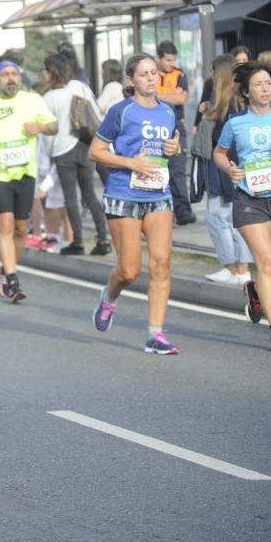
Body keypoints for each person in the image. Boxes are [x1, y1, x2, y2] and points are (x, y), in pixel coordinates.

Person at [89, 53, 182, 355]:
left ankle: (155, 333)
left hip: (158, 195)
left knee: (161, 263)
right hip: (123, 195)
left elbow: (170, 147)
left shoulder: (168, 112)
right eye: (143, 74)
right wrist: (130, 162)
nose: (151, 78)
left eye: (154, 73)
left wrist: (174, 147)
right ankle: (109, 298)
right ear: (131, 80)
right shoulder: (121, 111)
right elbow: (96, 152)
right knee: (129, 272)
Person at [214, 62, 271, 351]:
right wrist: (229, 169)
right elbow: (219, 152)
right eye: (258, 84)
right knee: (266, 263)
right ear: (245, 92)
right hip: (248, 200)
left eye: (268, 83)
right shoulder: (235, 123)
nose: (265, 89)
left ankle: (255, 290)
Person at [0, 59, 58, 302]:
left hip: (25, 172)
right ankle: (11, 278)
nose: (10, 78)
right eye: (5, 75)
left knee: (21, 228)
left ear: (20, 78)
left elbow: (54, 125)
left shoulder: (33, 100)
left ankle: (8, 266)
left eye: (14, 74)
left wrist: (40, 127)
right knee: (6, 225)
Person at [41, 54, 111, 256]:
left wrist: (48, 155)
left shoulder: (49, 97)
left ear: (52, 72)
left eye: (46, 70)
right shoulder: (79, 87)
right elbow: (95, 113)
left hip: (63, 150)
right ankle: (103, 239)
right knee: (90, 194)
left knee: (70, 198)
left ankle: (78, 242)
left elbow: (48, 132)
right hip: (84, 144)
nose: (44, 73)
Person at [201, 54, 254, 285]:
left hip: (227, 166)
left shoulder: (229, 103)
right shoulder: (234, 101)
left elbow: (225, 138)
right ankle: (238, 269)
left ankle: (235, 269)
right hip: (233, 165)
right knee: (231, 217)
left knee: (221, 216)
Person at [156, 41, 195, 225]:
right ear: (159, 58)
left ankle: (183, 210)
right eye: (167, 60)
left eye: (173, 60)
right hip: (156, 126)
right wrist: (171, 96)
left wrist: (157, 95)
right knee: (159, 169)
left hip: (176, 126)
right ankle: (164, 210)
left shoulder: (180, 74)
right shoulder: (151, 74)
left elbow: (181, 99)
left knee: (178, 169)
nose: (171, 63)